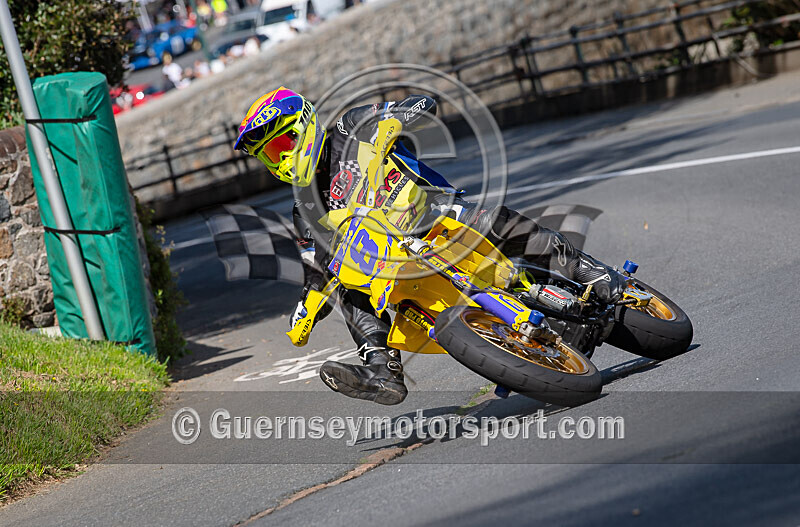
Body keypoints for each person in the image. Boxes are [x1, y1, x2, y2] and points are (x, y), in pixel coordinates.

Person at [233, 87, 626, 405]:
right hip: (393, 260)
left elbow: (416, 105)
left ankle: (587, 270)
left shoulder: (349, 128)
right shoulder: (304, 208)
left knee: (492, 218)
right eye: (268, 153)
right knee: (347, 289)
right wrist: (305, 307)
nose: (279, 155)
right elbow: (315, 264)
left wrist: (401, 114)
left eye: (281, 141)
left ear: (303, 125)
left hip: (434, 214)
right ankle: (381, 370)